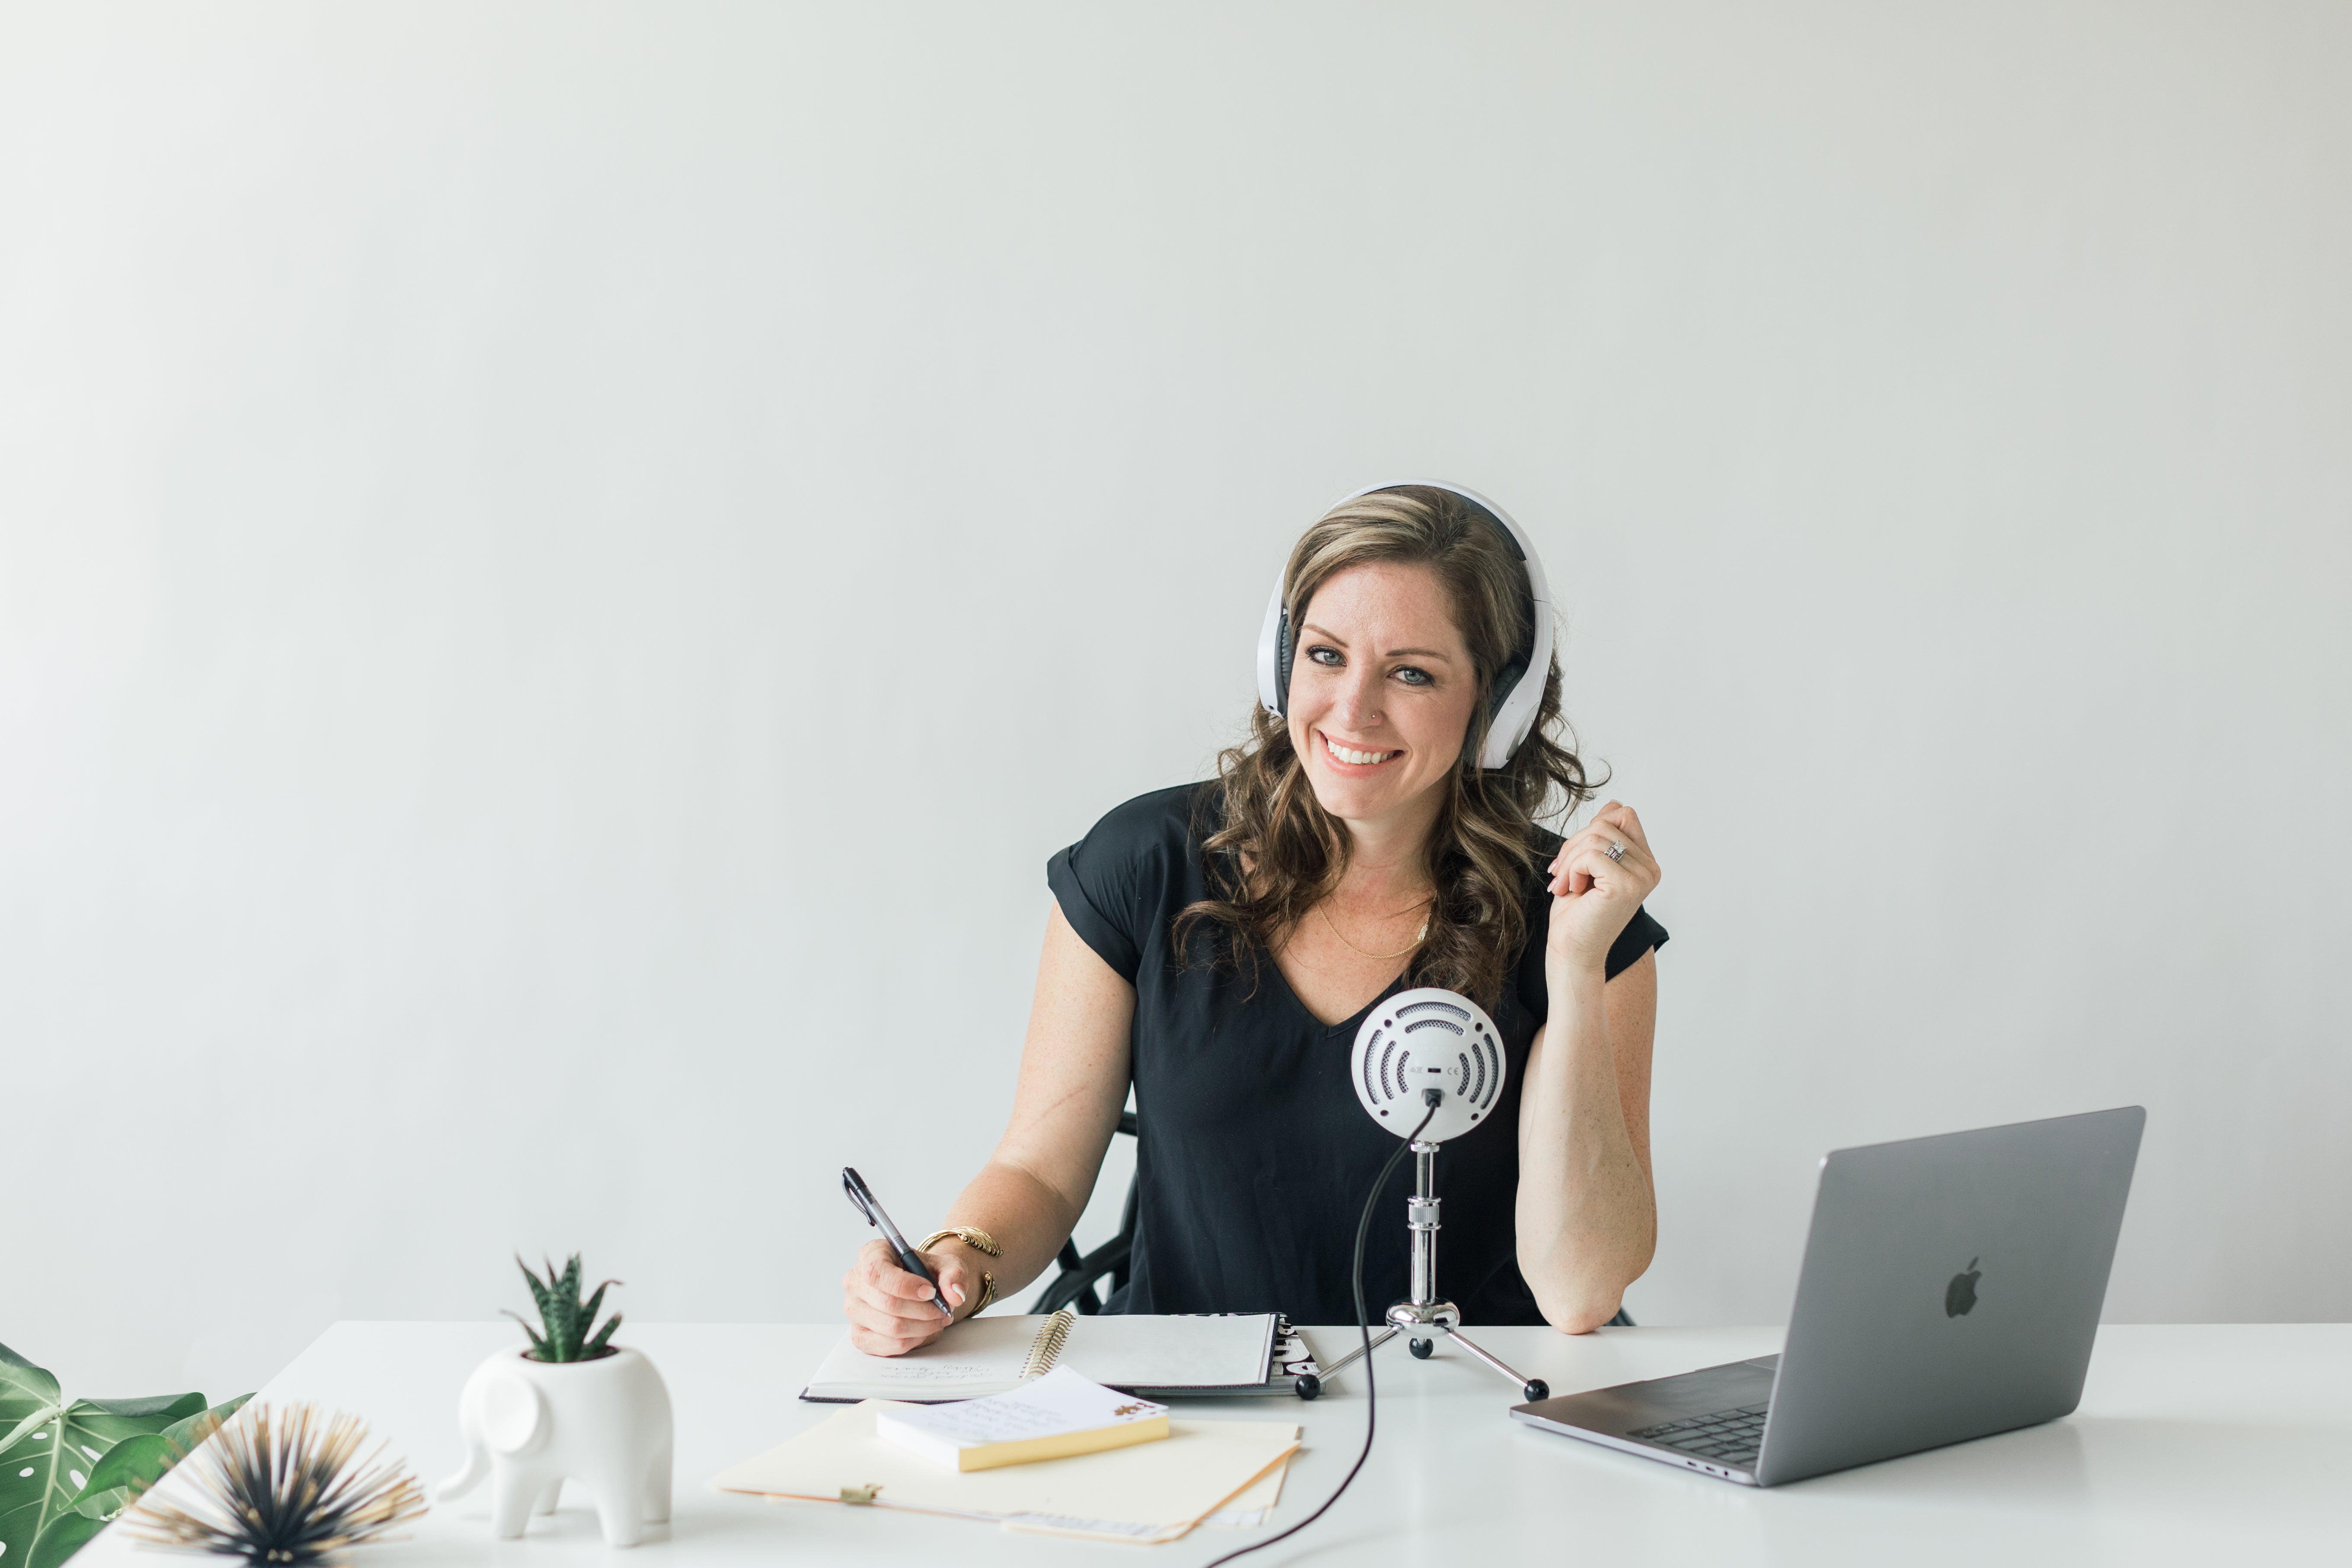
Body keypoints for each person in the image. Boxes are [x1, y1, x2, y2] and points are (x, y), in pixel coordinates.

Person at [842, 483, 1665, 1353]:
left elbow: (1577, 1292)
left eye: (1411, 672)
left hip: (1464, 1402)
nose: (1351, 710)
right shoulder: (1144, 865)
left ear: (1496, 707)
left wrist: (1573, 971)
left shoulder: (1578, 918)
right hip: (1189, 1403)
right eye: (1323, 656)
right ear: (1280, 666)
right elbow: (1038, 1168)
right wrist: (955, 1262)